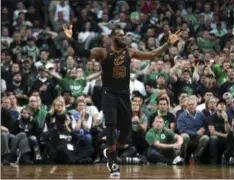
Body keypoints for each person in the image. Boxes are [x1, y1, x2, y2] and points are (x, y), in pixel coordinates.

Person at [62, 24, 181, 176]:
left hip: (124, 95)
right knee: (111, 126)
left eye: (124, 34)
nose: (123, 37)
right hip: (109, 93)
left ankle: (112, 152)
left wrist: (168, 44)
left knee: (125, 130)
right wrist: (71, 39)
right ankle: (113, 161)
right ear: (112, 38)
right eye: (119, 35)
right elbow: (82, 52)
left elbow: (151, 54)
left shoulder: (129, 51)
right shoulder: (102, 52)